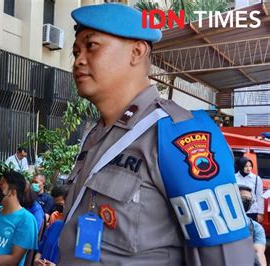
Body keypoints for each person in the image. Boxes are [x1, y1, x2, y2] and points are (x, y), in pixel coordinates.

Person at [59, 3, 253, 265]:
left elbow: (226, 259)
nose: (79, 59)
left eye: (91, 46)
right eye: (76, 51)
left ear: (137, 52)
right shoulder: (97, 135)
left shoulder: (180, 135)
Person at [239, 185, 266, 266]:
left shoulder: (255, 227)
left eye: (250, 200)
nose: (247, 202)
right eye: (244, 199)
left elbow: (259, 252)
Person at [235, 157, 264, 222]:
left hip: (252, 210)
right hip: (238, 210)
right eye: (246, 166)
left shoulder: (256, 178)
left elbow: (259, 197)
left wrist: (260, 213)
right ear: (241, 166)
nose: (248, 168)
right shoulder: (234, 177)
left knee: (251, 230)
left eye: (250, 166)